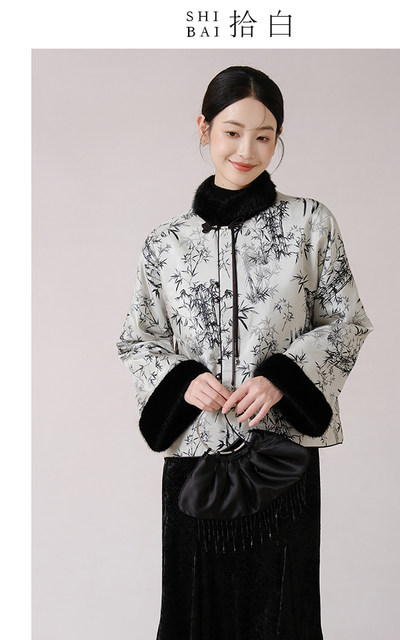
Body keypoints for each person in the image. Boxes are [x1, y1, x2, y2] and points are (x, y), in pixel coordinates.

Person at [117, 65, 373, 640]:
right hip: (196, 459)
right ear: (203, 128)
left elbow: (347, 322)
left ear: (278, 138)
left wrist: (283, 376)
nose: (246, 150)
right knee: (194, 617)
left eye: (264, 135)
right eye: (232, 132)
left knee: (283, 614)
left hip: (280, 459)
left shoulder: (311, 224)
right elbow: (137, 339)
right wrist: (182, 379)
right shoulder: (165, 243)